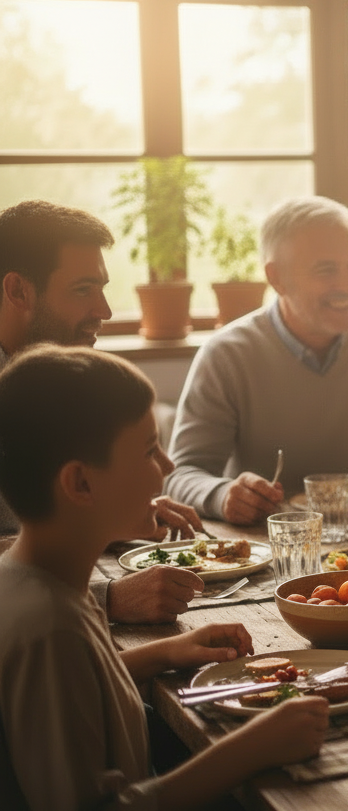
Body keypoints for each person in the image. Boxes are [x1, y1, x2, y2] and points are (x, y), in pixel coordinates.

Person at [0, 345, 328, 810]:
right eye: (150, 449)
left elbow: (77, 693)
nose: (169, 467)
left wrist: (164, 653)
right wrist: (249, 749)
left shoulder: (36, 577)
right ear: (81, 484)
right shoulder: (51, 629)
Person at [165, 195, 348, 524]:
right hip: (267, 543)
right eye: (326, 270)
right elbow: (181, 474)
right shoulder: (227, 354)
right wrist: (223, 495)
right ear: (277, 278)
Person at [0, 199, 206, 624]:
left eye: (103, 288)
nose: (104, 312)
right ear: (18, 290)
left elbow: (37, 520)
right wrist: (106, 596)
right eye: (82, 290)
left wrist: (110, 506)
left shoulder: (48, 376)